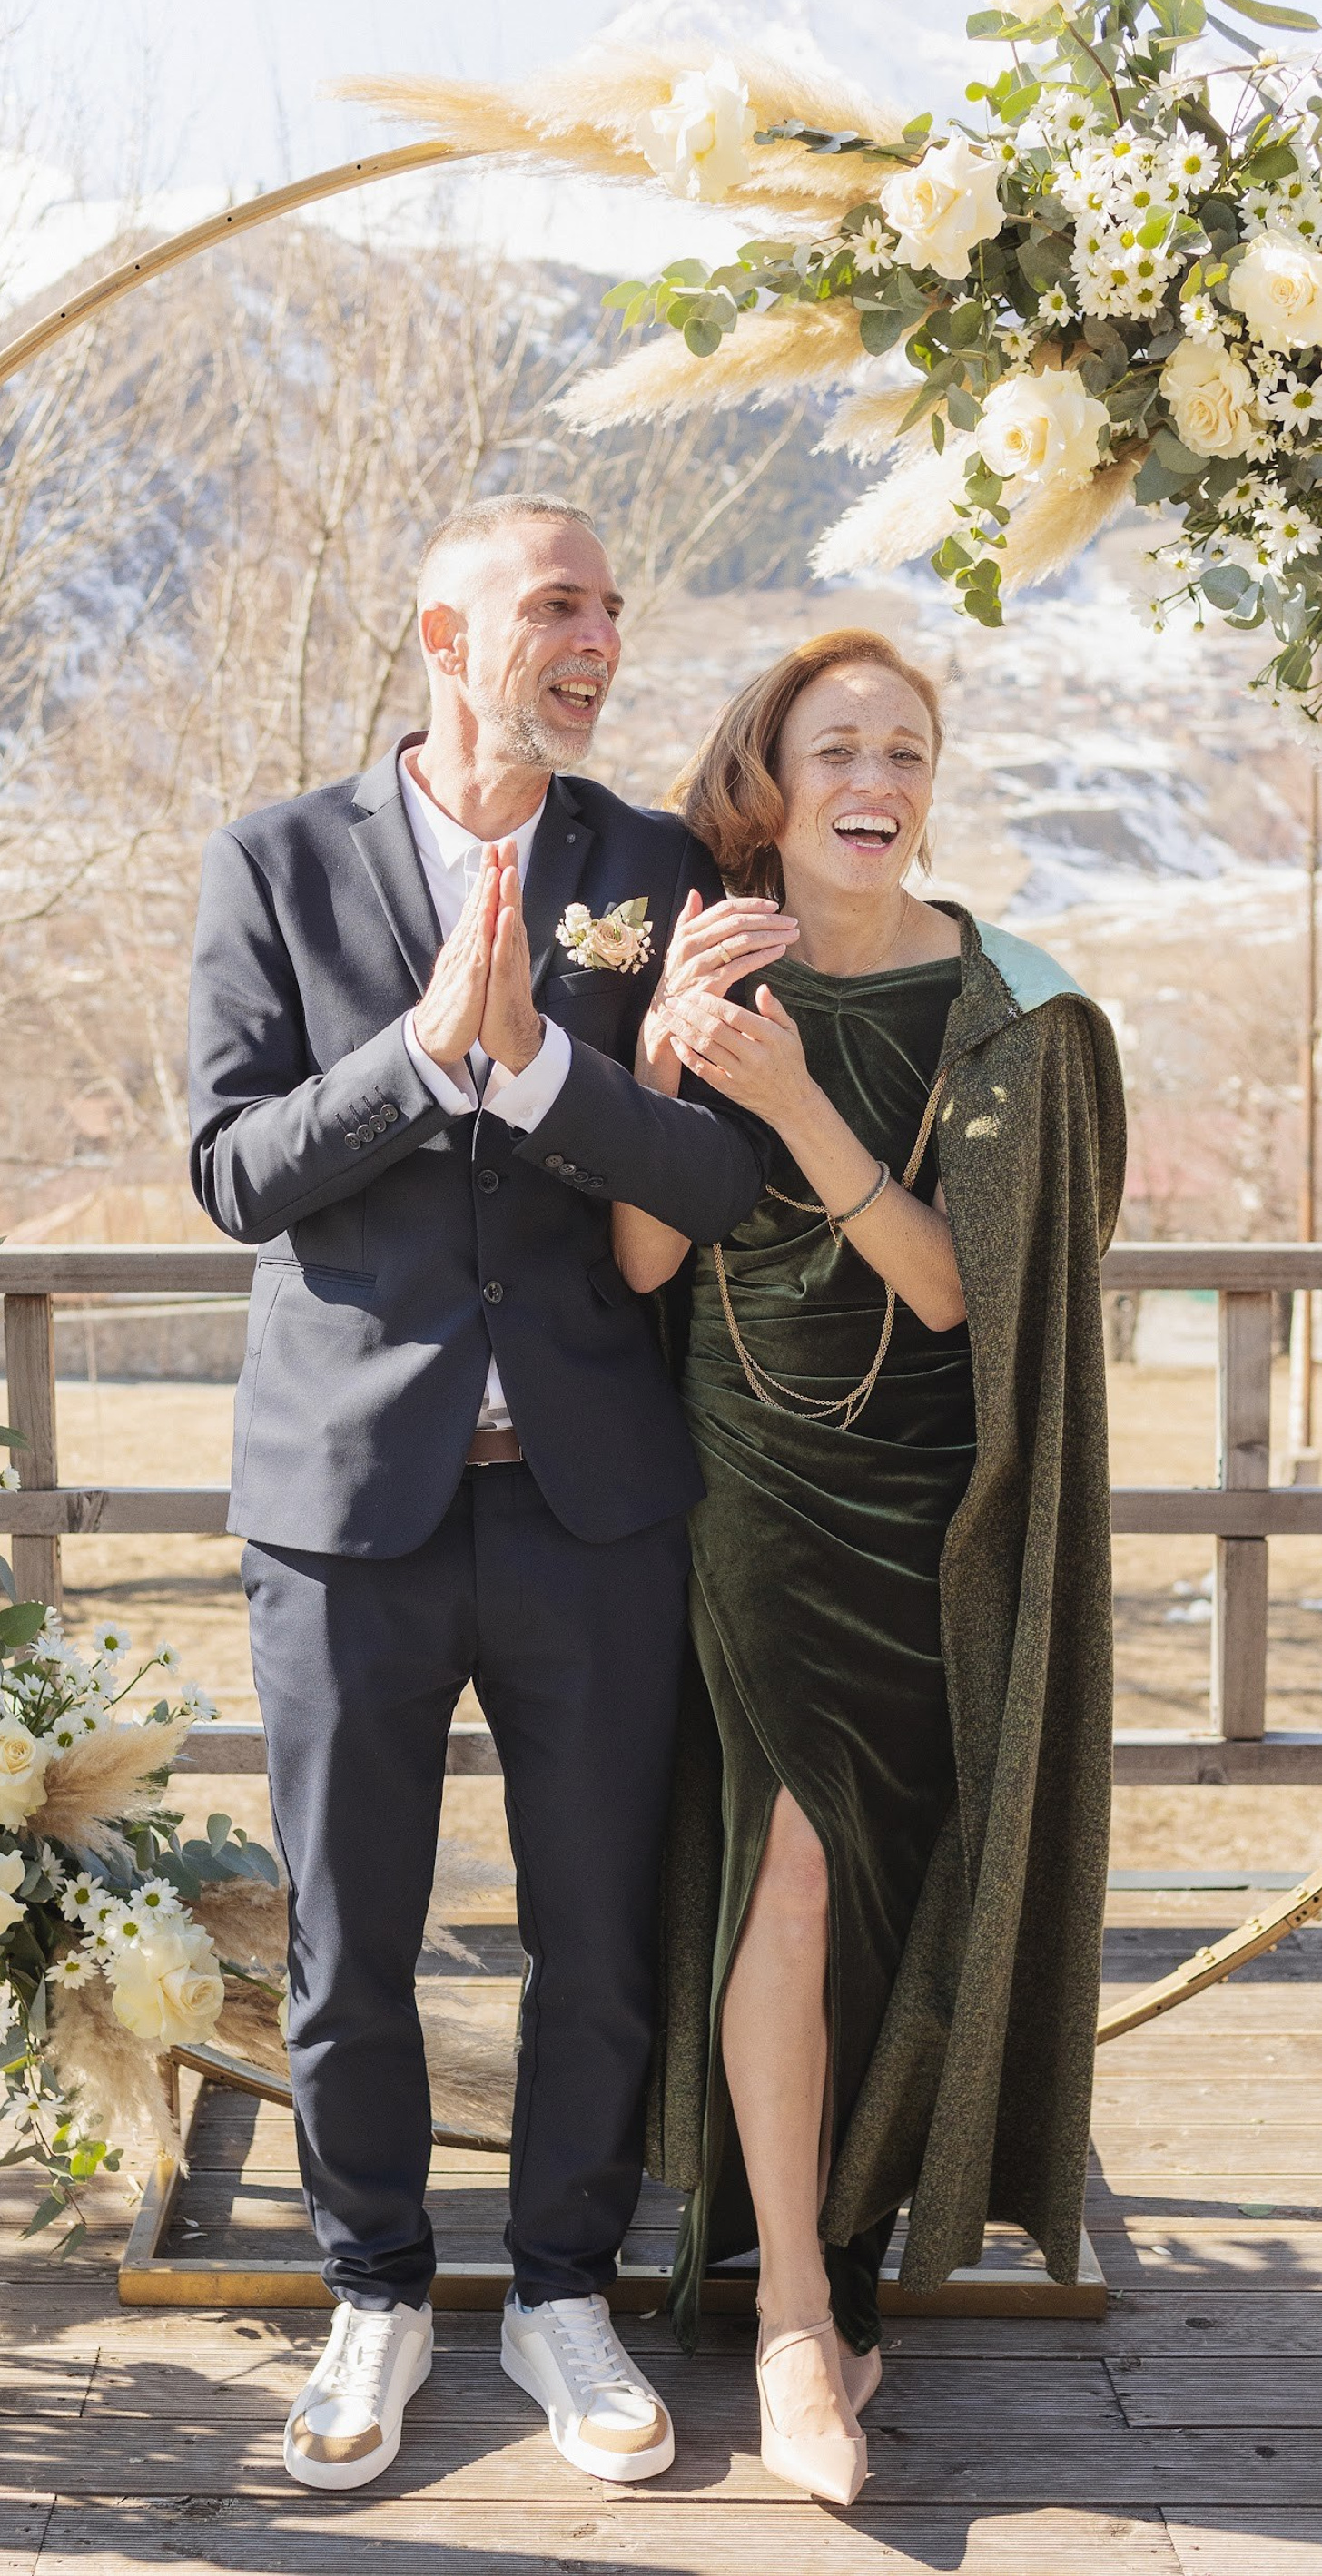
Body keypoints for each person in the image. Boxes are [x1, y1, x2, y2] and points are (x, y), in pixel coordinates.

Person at [187, 495, 776, 2491]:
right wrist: (426, 1055)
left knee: (596, 1931)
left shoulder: (656, 867)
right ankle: (370, 2289)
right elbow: (234, 1171)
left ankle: (556, 2295)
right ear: (444, 635)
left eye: (613, 606)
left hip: (593, 1501)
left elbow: (710, 1184)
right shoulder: (273, 861)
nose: (598, 637)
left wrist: (538, 1073)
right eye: (557, 606)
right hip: (345, 1501)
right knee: (351, 1938)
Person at [612, 626, 1124, 2507]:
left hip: (941, 1505)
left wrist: (795, 1098)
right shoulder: (702, 972)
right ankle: (796, 2319)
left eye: (908, 747)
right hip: (749, 1491)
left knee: (904, 1873)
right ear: (774, 772)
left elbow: (952, 1292)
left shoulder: (997, 1006)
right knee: (795, 1867)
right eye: (842, 742)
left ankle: (847, 2205)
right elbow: (647, 1277)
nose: (879, 775)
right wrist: (668, 1073)